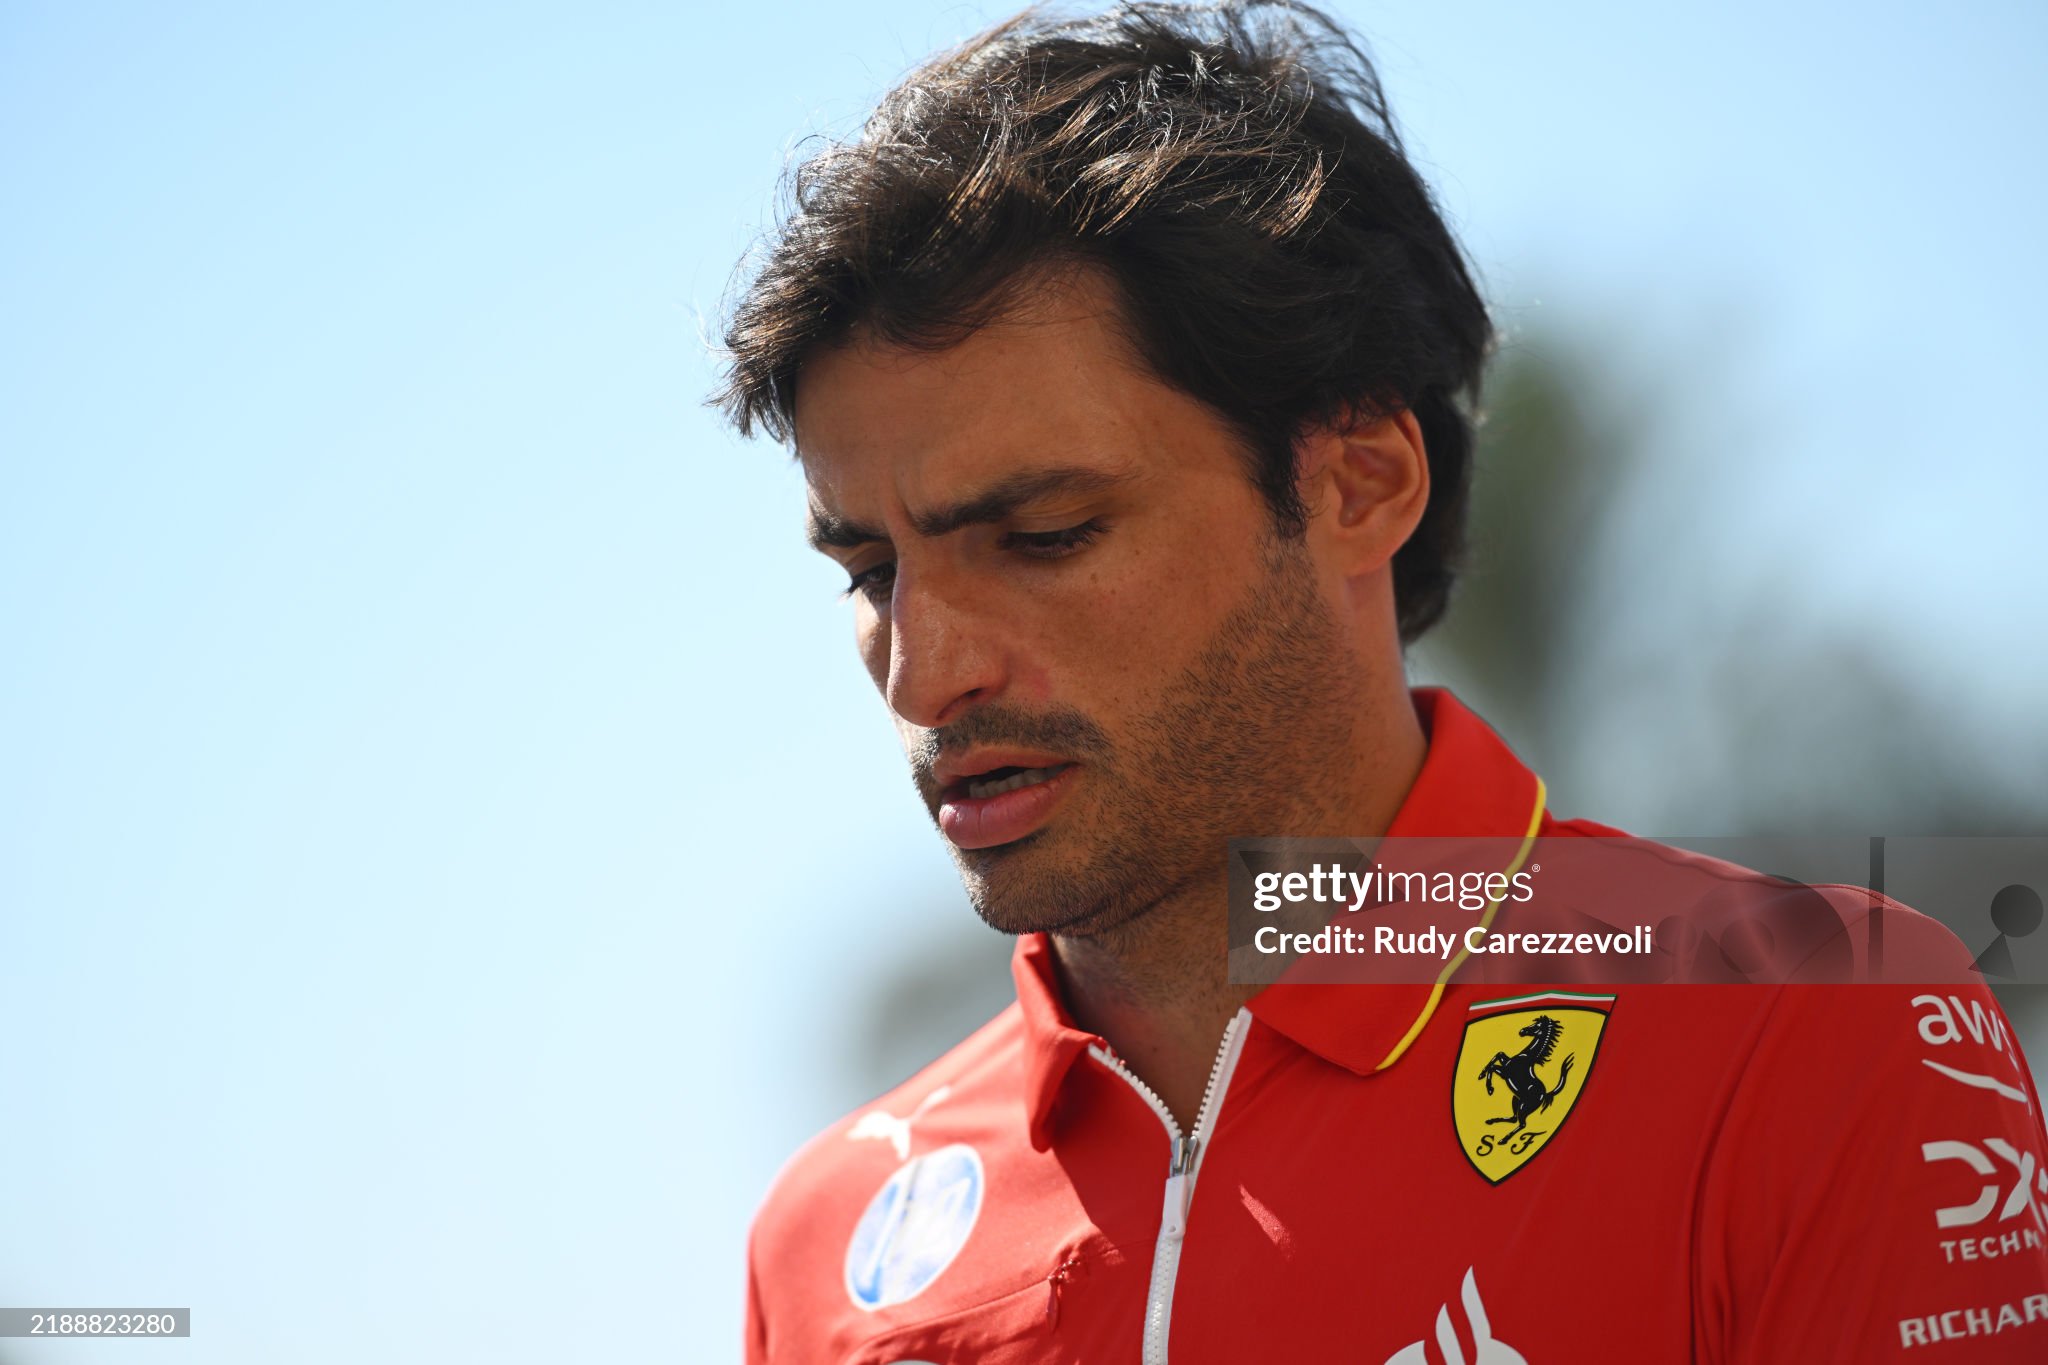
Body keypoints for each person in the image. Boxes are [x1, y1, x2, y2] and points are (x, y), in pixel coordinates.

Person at [713, 3, 2048, 1359]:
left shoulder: (1816, 1039)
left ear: (1362, 481)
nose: (930, 673)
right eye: (872, 572)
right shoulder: (824, 1242)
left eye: (1047, 534)